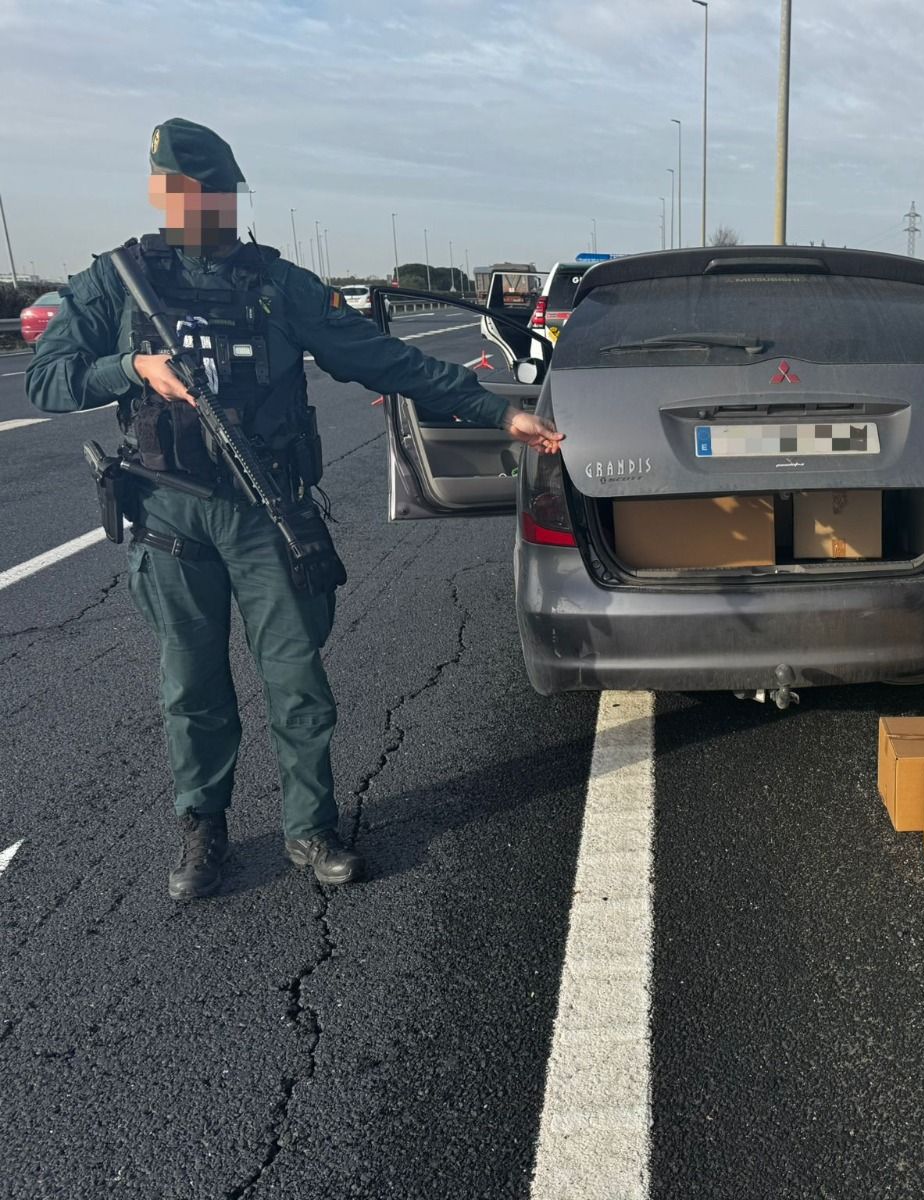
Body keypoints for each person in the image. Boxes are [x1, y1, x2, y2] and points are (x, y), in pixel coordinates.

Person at [27, 118, 562, 902]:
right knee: (191, 689)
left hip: (265, 511)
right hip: (171, 519)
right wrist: (132, 367)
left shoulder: (275, 284)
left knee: (297, 683)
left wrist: (492, 411)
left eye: (218, 196)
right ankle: (203, 830)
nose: (209, 210)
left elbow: (384, 358)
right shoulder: (116, 280)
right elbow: (50, 379)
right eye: (190, 194)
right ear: (165, 194)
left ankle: (310, 829)